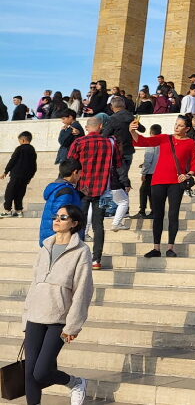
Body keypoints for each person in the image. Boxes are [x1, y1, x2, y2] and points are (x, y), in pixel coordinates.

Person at [22, 203, 93, 405]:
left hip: (59, 319)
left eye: (63, 217)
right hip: (35, 315)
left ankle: (75, 382)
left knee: (41, 372)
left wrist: (73, 325)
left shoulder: (81, 251)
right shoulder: (45, 246)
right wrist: (26, 315)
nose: (57, 220)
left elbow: (83, 290)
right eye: (56, 216)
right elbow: (35, 283)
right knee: (29, 373)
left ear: (74, 223)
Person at [129, 114, 195, 258]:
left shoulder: (191, 143)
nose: (176, 127)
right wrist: (132, 131)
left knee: (173, 214)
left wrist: (188, 174)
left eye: (180, 125)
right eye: (176, 124)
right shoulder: (165, 138)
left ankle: (170, 248)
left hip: (176, 183)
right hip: (158, 181)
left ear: (187, 129)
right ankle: (156, 248)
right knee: (158, 215)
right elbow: (143, 141)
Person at [66, 116, 122, 269]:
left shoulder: (79, 142)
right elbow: (118, 163)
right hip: (104, 189)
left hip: (82, 188)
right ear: (101, 126)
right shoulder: (111, 143)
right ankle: (96, 259)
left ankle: (77, 256)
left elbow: (70, 163)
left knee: (78, 222)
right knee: (98, 225)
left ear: (87, 127)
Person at [39, 159, 84, 247]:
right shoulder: (66, 191)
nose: (80, 176)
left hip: (54, 237)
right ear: (75, 172)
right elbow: (61, 215)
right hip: (59, 240)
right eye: (80, 173)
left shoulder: (60, 188)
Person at [2, 130, 37, 218]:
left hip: (16, 175)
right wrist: (30, 176)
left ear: (23, 140)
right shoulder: (32, 150)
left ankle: (7, 211)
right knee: (20, 193)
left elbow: (12, 160)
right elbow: (34, 165)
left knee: (10, 192)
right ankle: (19, 211)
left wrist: (6, 171)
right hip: (25, 177)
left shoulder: (19, 149)